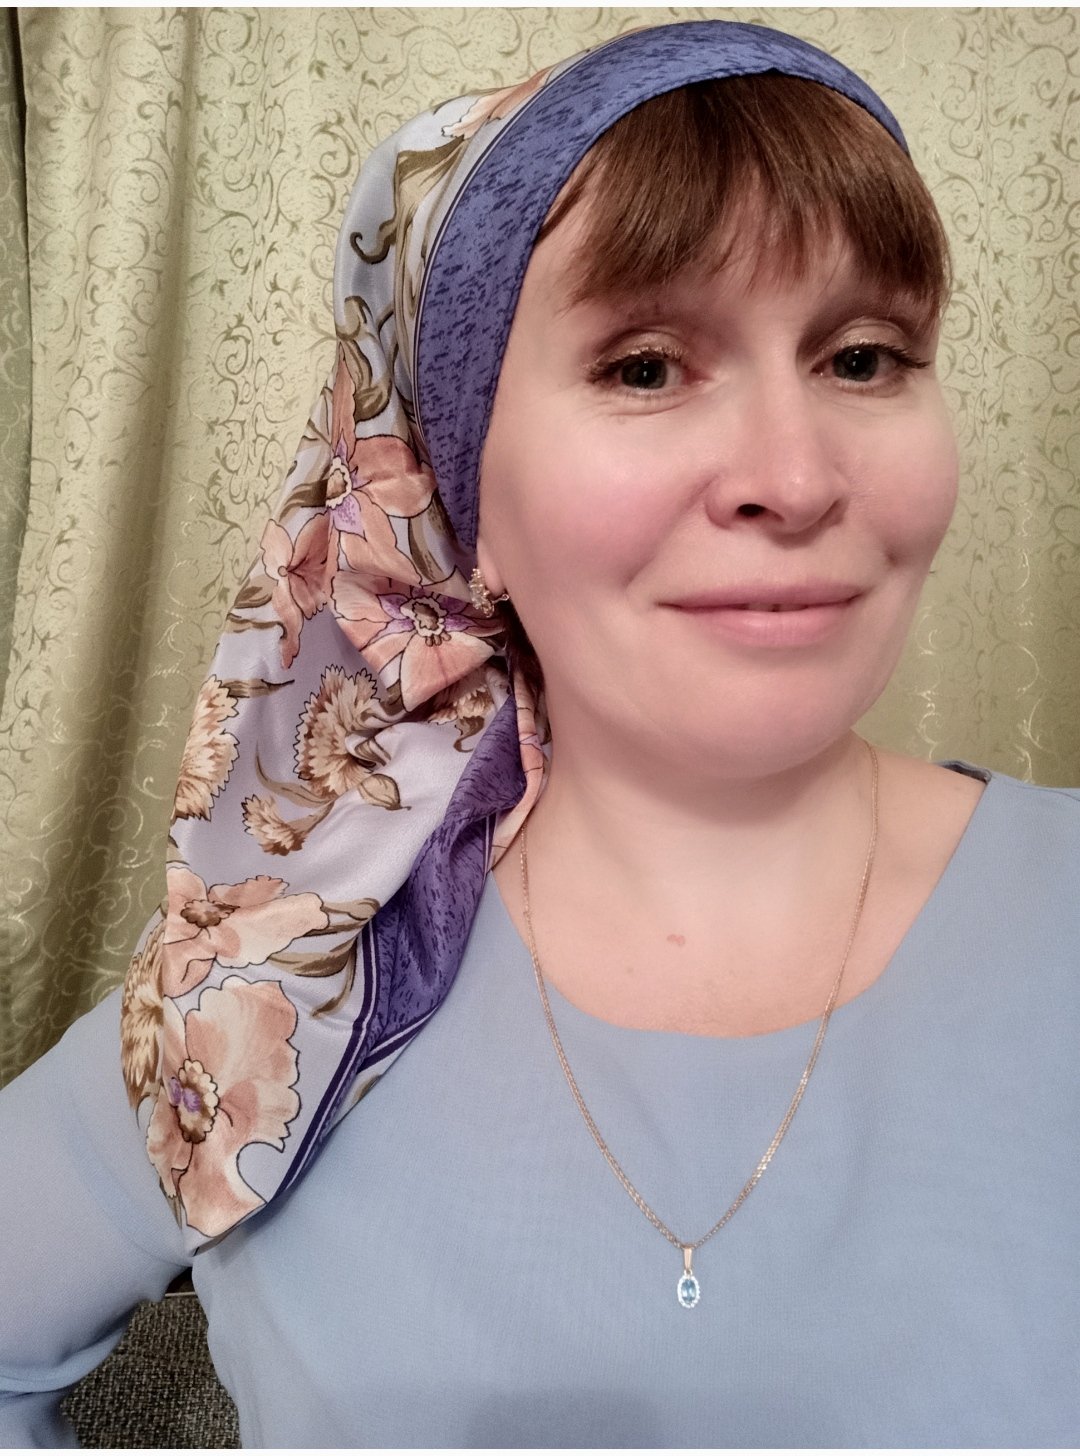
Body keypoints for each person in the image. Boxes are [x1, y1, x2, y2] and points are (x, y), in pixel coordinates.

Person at [1, 17, 1078, 1449]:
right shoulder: (277, 980)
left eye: (865, 357)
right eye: (645, 368)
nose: (796, 475)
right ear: (459, 483)